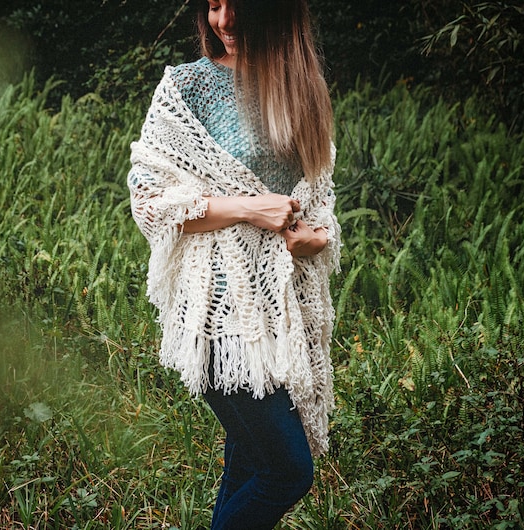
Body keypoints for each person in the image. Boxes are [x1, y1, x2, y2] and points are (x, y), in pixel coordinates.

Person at [127, 0, 341, 528]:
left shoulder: (301, 89)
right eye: (214, 4)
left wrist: (313, 239)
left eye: (238, 6)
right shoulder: (187, 88)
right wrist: (251, 208)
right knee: (288, 472)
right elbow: (149, 203)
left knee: (248, 463)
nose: (222, 21)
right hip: (220, 315)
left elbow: (316, 207)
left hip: (278, 314)